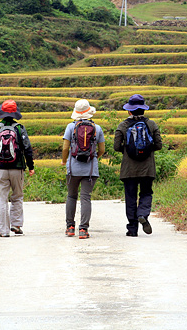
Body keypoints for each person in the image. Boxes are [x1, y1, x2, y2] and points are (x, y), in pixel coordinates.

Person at [0, 100, 35, 237]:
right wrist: (31, 166)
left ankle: (4, 231)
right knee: (17, 196)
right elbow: (27, 148)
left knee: (2, 199)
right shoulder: (19, 128)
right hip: (17, 168)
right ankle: (16, 226)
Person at [113, 94, 163, 237]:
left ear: (129, 111)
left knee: (130, 197)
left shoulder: (122, 125)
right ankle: (143, 214)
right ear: (143, 110)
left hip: (129, 169)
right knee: (146, 193)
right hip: (147, 167)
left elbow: (116, 147)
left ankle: (132, 229)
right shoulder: (151, 124)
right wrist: (146, 150)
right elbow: (159, 145)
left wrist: (129, 150)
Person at [61, 99, 106, 239]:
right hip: (90, 169)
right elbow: (102, 149)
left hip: (73, 168)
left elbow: (65, 148)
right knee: (86, 198)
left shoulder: (70, 127)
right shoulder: (97, 128)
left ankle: (70, 227)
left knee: (71, 196)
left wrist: (64, 161)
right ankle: (83, 230)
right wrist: (94, 157)